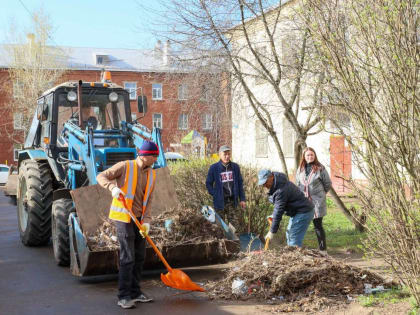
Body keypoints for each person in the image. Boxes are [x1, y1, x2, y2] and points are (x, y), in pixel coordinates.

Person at [97, 140, 159, 309]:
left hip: (139, 219)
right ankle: (123, 296)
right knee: (128, 257)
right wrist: (112, 188)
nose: (156, 160)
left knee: (140, 256)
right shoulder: (125, 166)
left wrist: (146, 222)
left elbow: (149, 200)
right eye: (154, 156)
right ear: (146, 156)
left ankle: (136, 292)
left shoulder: (152, 174)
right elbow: (101, 176)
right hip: (123, 217)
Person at [258, 169, 314, 247]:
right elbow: (279, 206)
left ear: (271, 177)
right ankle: (293, 255)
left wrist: (272, 232)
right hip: (297, 211)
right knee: (289, 234)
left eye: (265, 182)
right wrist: (274, 215)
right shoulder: (276, 185)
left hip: (303, 212)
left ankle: (295, 257)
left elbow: (279, 209)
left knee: (293, 237)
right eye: (262, 183)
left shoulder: (280, 190)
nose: (264, 185)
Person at [295, 147, 332, 253]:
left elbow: (328, 184)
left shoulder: (320, 168)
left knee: (317, 226)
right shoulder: (300, 169)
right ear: (304, 157)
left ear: (314, 156)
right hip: (304, 202)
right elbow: (298, 184)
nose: (310, 157)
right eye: (308, 155)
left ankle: (323, 250)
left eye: (312, 155)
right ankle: (297, 248)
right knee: (300, 224)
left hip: (317, 202)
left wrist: (320, 194)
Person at [206, 145, 246, 230]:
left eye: (229, 154)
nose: (227, 156)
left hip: (232, 201)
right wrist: (215, 194)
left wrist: (242, 199)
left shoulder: (235, 167)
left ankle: (232, 242)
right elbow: (208, 183)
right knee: (220, 226)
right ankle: (222, 242)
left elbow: (240, 183)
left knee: (234, 226)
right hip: (220, 202)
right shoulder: (214, 168)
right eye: (225, 154)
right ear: (220, 155)